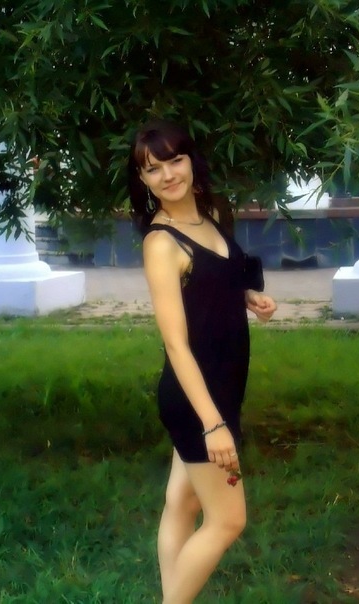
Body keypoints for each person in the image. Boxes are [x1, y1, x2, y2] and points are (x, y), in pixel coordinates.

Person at [128, 119, 277, 604]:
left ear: (192, 161)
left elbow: (216, 279)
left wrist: (247, 295)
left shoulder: (209, 214)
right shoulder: (161, 243)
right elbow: (176, 344)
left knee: (182, 500)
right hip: (197, 400)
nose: (168, 175)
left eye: (175, 160)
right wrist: (213, 425)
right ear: (142, 179)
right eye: (153, 168)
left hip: (223, 385)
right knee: (228, 520)